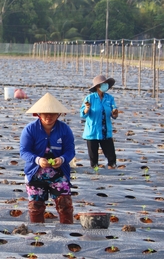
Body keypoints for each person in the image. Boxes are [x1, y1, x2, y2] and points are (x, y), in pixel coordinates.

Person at [20, 93, 75, 224]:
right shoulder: (30, 129)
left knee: (65, 203)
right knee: (36, 206)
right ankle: (37, 236)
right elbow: (24, 151)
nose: (48, 117)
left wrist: (61, 159)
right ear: (38, 114)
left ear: (59, 115)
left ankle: (67, 234)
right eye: (45, 113)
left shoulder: (64, 130)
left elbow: (70, 151)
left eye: (53, 114)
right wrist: (38, 160)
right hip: (36, 174)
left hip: (59, 173)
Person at [80, 75, 119, 169]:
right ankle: (95, 174)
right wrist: (87, 108)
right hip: (92, 131)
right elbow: (83, 115)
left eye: (106, 84)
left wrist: (114, 113)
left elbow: (114, 114)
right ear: (97, 86)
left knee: (111, 157)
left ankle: (112, 170)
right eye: (103, 84)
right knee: (93, 159)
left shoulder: (110, 98)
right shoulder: (89, 98)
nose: (105, 86)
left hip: (105, 131)